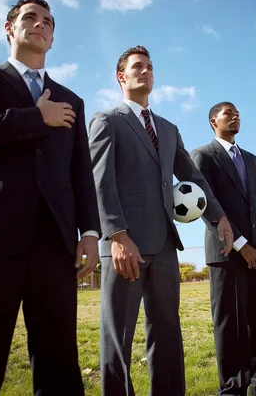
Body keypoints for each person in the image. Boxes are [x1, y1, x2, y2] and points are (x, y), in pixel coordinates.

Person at [0, 0, 100, 394]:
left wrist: (91, 232)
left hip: (54, 246)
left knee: (59, 363)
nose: (41, 24)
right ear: (10, 29)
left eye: (49, 20)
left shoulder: (72, 100)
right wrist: (35, 117)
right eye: (30, 17)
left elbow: (81, 173)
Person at [89, 45, 234, 396]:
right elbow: (100, 182)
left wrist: (219, 216)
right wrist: (117, 236)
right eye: (138, 66)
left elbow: (193, 178)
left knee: (167, 332)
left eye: (150, 67)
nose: (146, 71)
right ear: (121, 76)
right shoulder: (106, 121)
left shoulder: (168, 129)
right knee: (118, 337)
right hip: (125, 247)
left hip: (166, 247)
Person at [191, 102, 256, 396]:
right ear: (212, 121)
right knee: (230, 324)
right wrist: (241, 246)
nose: (235, 116)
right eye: (229, 113)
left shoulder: (253, 160)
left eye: (238, 113)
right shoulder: (203, 156)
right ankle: (232, 389)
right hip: (226, 255)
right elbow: (206, 205)